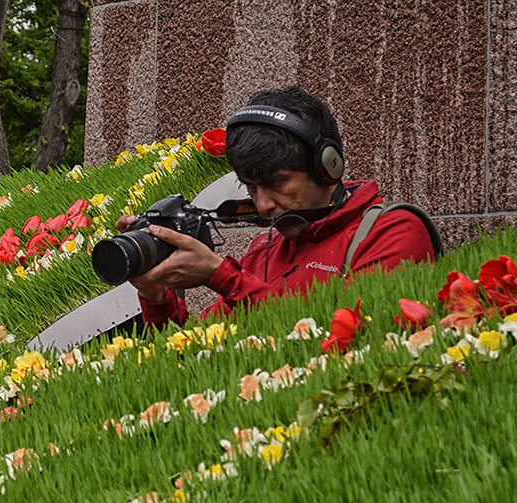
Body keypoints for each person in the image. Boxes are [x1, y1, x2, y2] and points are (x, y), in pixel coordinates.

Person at [121, 86, 437, 329]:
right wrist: (156, 295)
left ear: (328, 167)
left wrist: (224, 277)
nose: (262, 204)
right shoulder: (263, 250)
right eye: (251, 187)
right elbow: (198, 357)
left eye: (276, 184)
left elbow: (349, 340)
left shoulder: (393, 231)